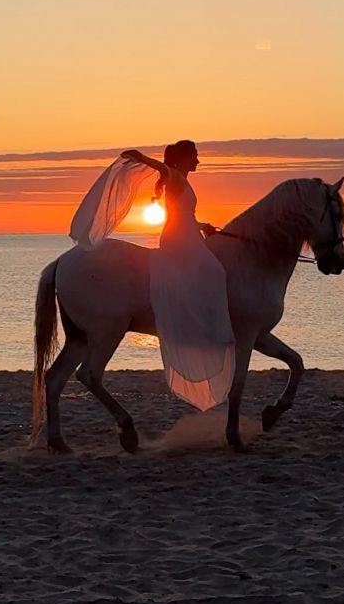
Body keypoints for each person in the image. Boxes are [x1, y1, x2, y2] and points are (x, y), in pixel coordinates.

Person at [68, 141, 235, 410]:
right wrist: (143, 159)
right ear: (183, 159)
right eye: (194, 156)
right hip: (179, 239)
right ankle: (208, 328)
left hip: (185, 233)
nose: (198, 161)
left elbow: (181, 215)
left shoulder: (181, 181)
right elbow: (163, 169)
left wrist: (201, 225)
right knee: (213, 271)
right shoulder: (175, 176)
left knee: (209, 269)